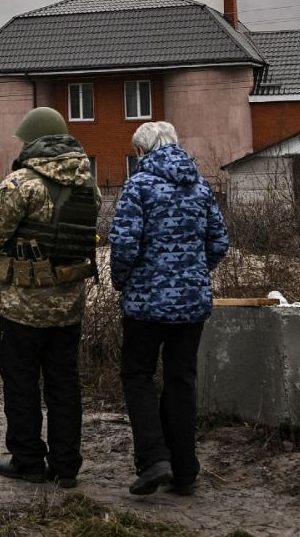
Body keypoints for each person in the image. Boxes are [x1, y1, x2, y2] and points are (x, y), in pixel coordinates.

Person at [0, 106, 102, 489]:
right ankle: (66, 465)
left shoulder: (21, 183)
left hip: (23, 304)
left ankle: (28, 458)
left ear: (32, 142)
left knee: (21, 382)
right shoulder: (87, 184)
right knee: (65, 382)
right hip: (69, 302)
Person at [109, 121, 229, 496]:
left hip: (145, 304)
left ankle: (154, 458)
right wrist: (193, 273)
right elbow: (219, 241)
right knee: (181, 380)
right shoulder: (199, 186)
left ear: (141, 151)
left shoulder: (138, 186)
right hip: (191, 305)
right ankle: (185, 471)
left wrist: (123, 282)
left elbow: (125, 245)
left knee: (138, 375)